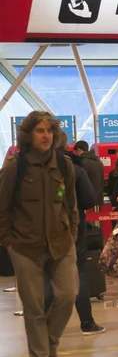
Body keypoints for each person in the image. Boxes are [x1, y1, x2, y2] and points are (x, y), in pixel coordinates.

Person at [0, 111, 79, 357]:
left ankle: (49, 343)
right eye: (40, 131)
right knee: (33, 309)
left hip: (61, 244)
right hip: (25, 248)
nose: (46, 136)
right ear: (28, 134)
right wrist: (9, 242)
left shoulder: (64, 164)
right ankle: (41, 353)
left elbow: (71, 205)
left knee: (68, 295)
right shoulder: (16, 166)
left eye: (49, 131)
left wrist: (72, 234)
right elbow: (2, 208)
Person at [46, 131, 105, 336]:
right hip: (73, 224)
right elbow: (89, 199)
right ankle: (87, 322)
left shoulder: (36, 167)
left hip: (44, 227)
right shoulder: (75, 167)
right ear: (67, 145)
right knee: (78, 268)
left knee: (45, 271)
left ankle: (46, 325)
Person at [73, 140, 105, 207]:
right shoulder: (98, 161)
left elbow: (81, 182)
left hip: (86, 199)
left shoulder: (82, 162)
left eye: (75, 152)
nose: (75, 154)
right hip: (98, 197)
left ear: (78, 149)